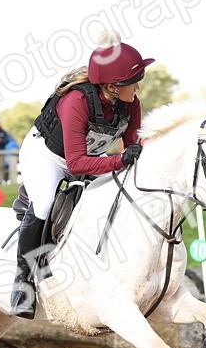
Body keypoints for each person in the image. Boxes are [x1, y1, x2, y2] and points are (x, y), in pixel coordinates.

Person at [9, 33, 154, 318]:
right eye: (133, 81)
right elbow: (75, 164)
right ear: (112, 86)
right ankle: (22, 281)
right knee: (44, 204)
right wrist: (119, 161)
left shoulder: (130, 103)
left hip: (89, 156)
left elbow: (132, 147)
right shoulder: (76, 100)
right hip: (48, 156)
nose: (138, 87)